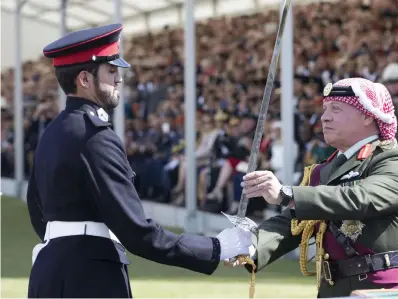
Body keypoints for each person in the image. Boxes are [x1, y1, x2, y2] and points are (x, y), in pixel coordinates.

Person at [26, 23, 251, 298]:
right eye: (111, 71)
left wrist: (62, 246)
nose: (119, 78)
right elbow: (136, 230)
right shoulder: (94, 136)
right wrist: (217, 248)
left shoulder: (52, 132)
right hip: (89, 278)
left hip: (49, 274)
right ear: (85, 79)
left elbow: (37, 212)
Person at [227, 78, 398, 297]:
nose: (325, 117)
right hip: (332, 289)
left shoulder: (393, 160)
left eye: (336, 109)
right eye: (325, 109)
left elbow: (361, 197)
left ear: (367, 114)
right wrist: (246, 247)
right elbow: (292, 224)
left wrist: (287, 193)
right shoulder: (323, 171)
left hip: (382, 288)